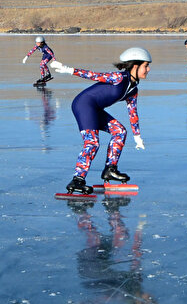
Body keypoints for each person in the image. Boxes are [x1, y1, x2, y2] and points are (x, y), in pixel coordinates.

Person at [52, 47, 151, 195]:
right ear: (135, 66)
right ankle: (77, 179)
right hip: (84, 105)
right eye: (146, 66)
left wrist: (137, 136)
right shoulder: (119, 78)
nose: (148, 69)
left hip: (96, 109)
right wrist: (68, 69)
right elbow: (94, 75)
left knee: (120, 131)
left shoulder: (133, 89)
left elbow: (133, 113)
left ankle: (110, 170)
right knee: (92, 142)